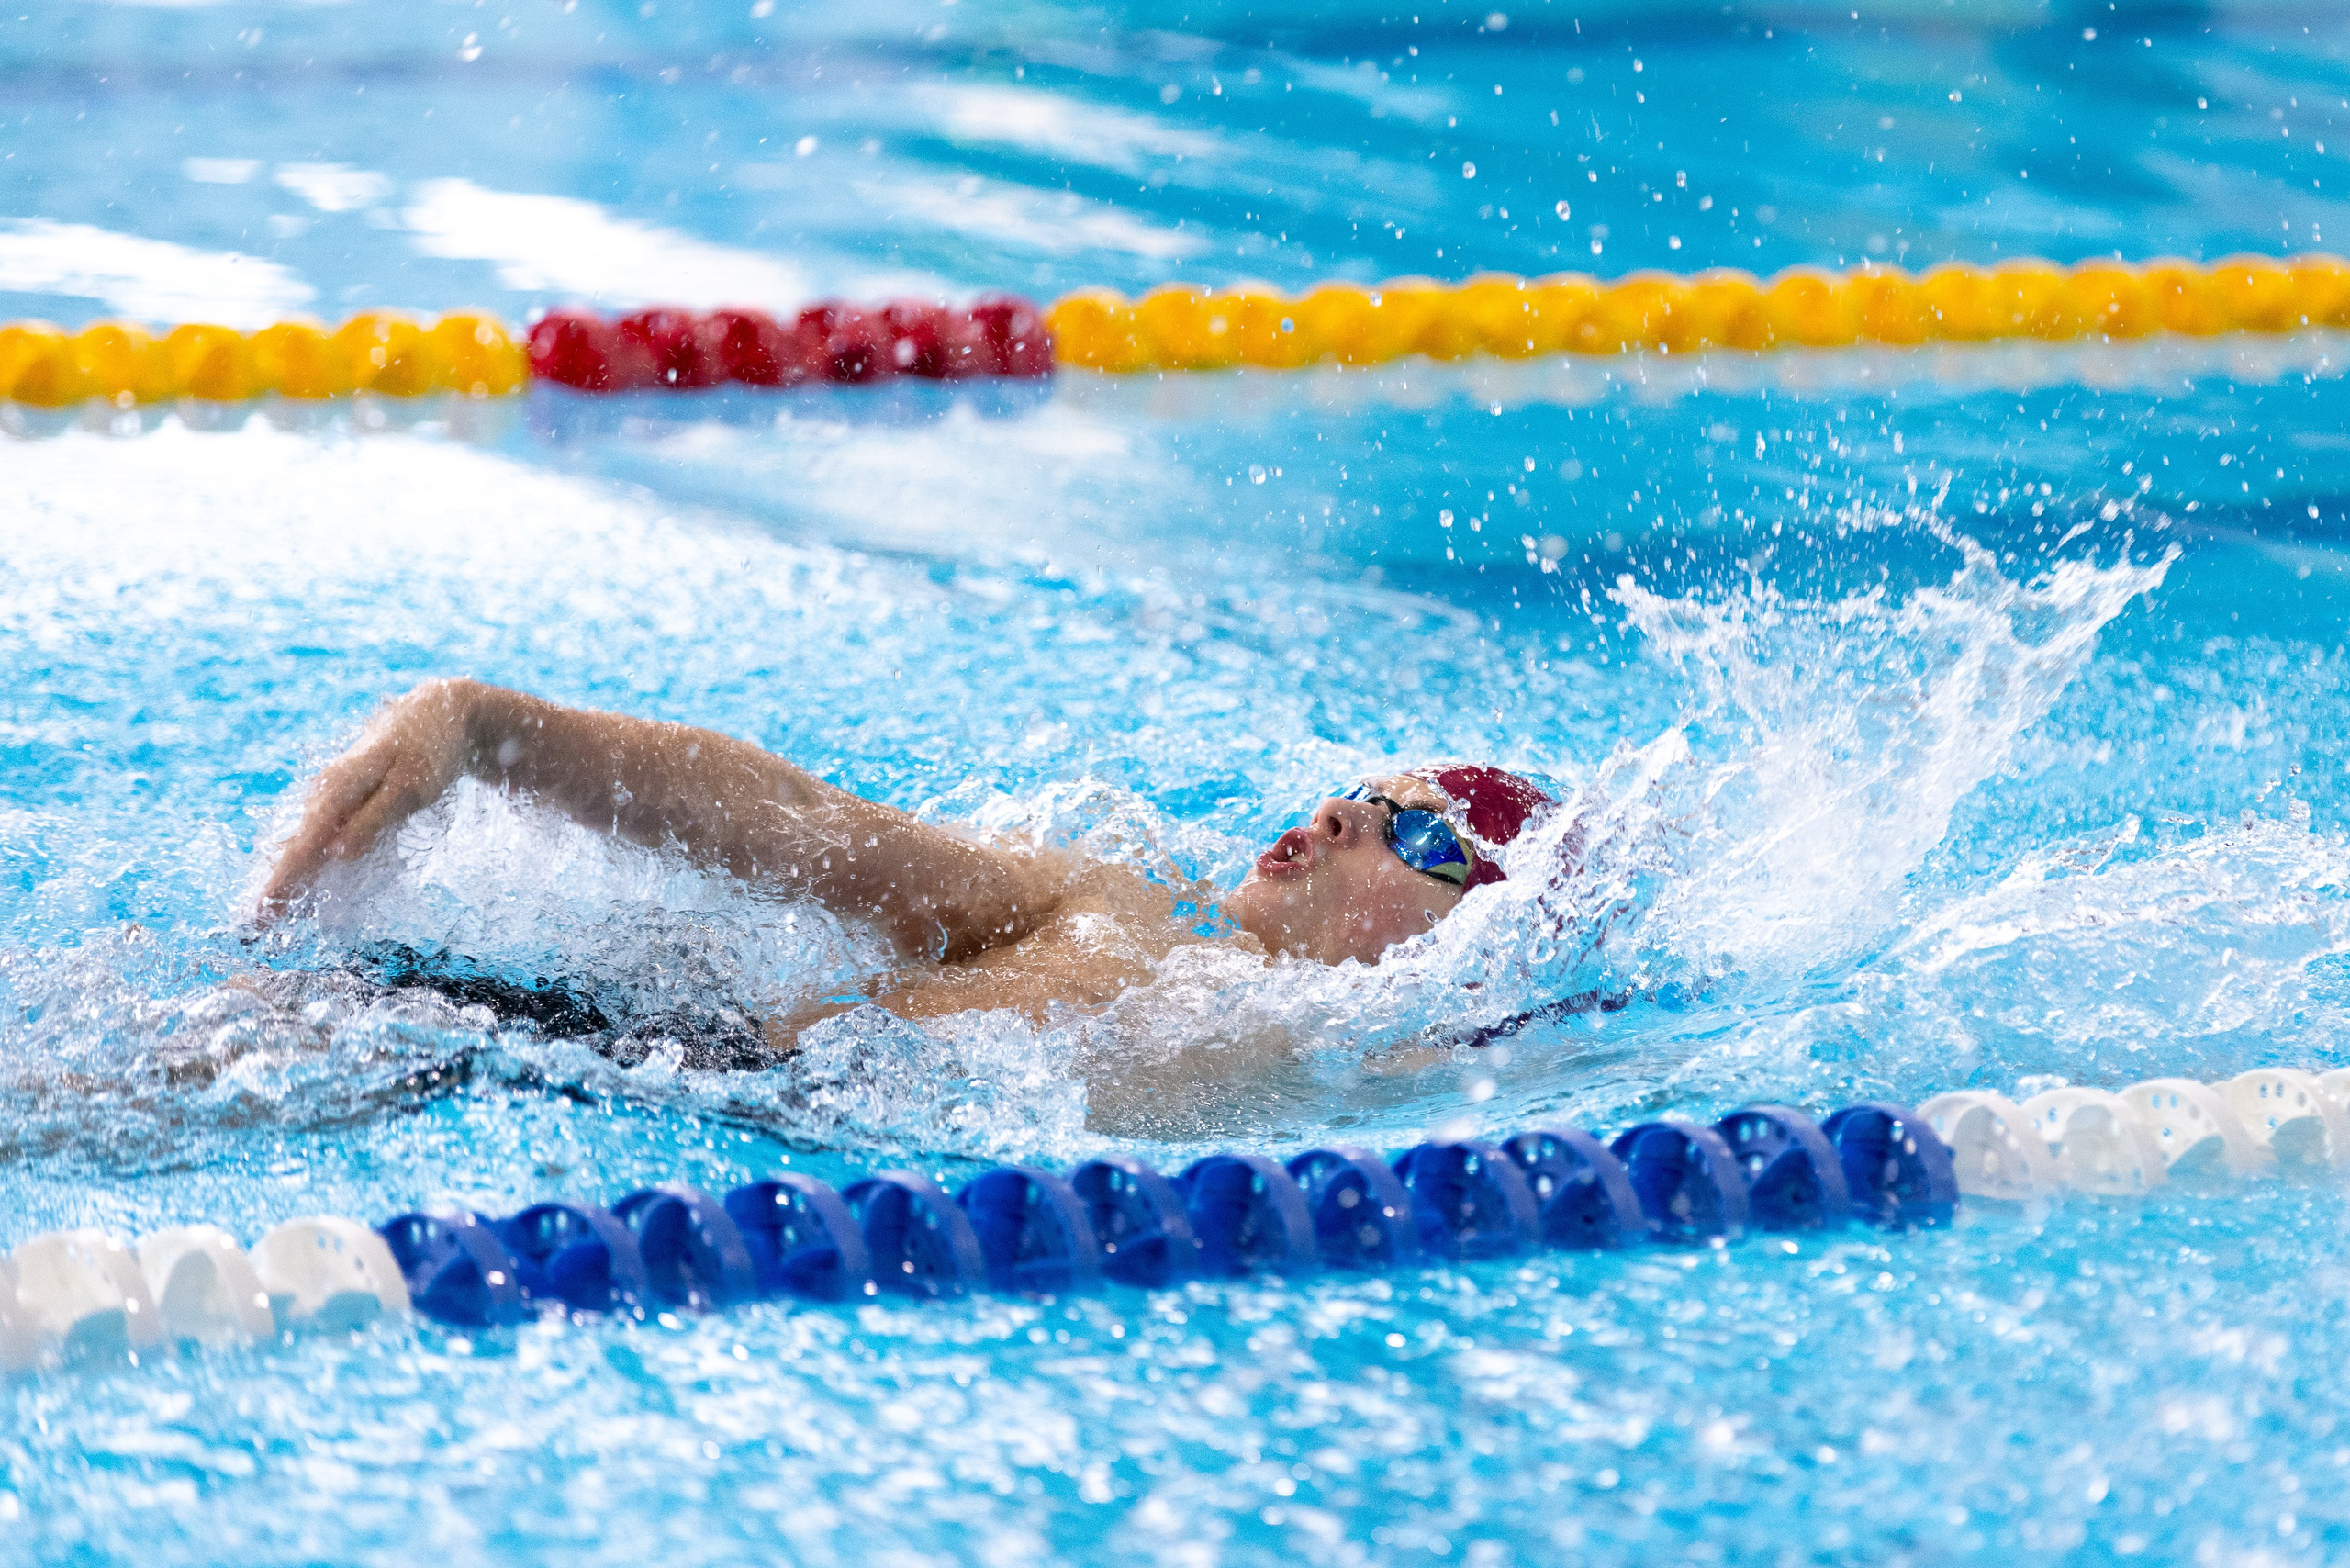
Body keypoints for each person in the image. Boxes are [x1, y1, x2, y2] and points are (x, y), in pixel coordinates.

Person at [255, 678, 1553, 1045]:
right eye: (1360, 794)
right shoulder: (1114, 900)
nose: (1341, 816)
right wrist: (494, 731)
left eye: (1420, 835)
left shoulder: (1395, 1070)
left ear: (1475, 939)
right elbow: (807, 830)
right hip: (632, 1069)